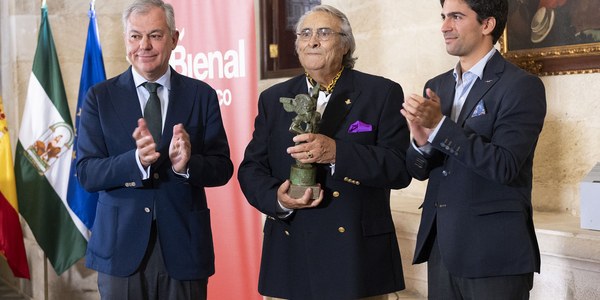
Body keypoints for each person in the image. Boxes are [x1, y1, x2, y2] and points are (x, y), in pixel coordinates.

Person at [238, 5, 412, 300]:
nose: (312, 41)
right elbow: (251, 169)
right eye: (305, 34)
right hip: (291, 255)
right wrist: (278, 199)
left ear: (345, 44)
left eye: (324, 33)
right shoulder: (273, 99)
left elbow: (399, 168)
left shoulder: (380, 93)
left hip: (355, 259)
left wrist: (336, 154)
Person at [76, 0, 233, 299]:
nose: (144, 46)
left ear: (174, 38)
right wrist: (134, 161)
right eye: (135, 36)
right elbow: (87, 174)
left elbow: (222, 168)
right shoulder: (100, 97)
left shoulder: (202, 95)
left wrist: (186, 166)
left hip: (184, 248)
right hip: (120, 250)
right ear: (126, 39)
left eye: (155, 35)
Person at [400, 0, 546, 299]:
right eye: (443, 17)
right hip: (442, 247)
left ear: (487, 24)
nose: (444, 26)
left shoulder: (522, 86)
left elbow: (504, 166)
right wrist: (422, 143)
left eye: (456, 17)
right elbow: (419, 170)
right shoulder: (436, 85)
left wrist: (440, 127)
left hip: (495, 253)